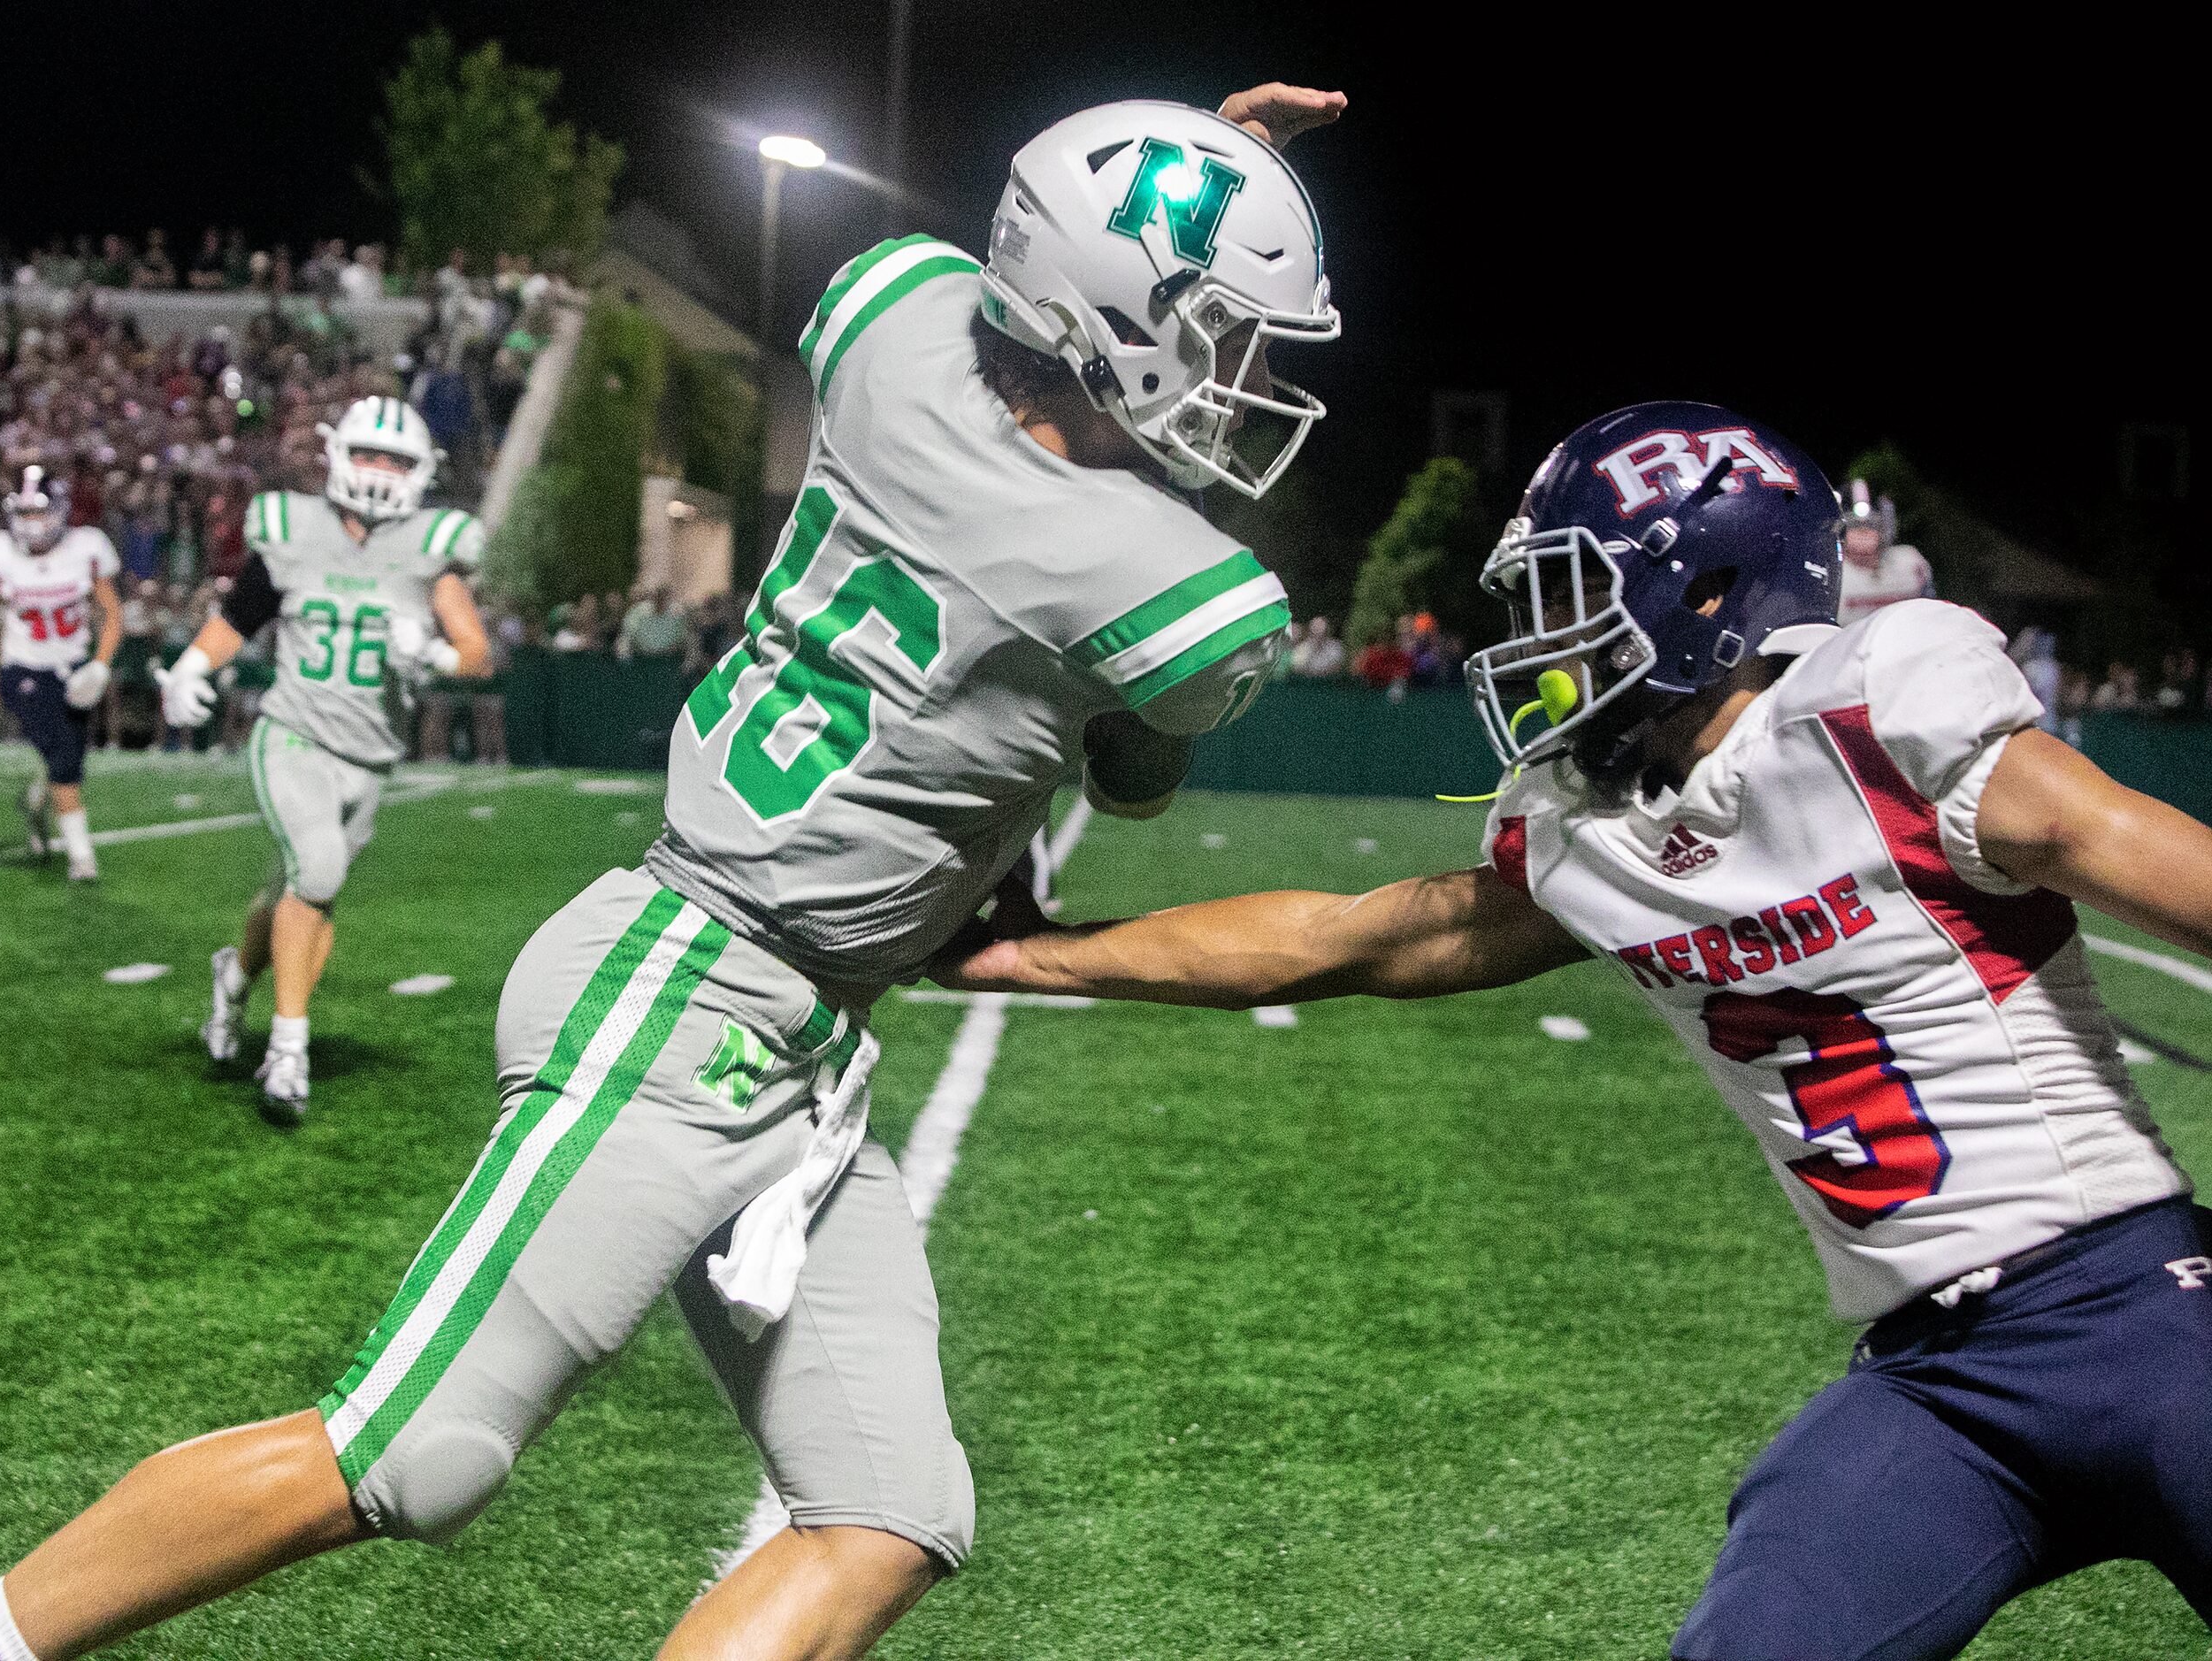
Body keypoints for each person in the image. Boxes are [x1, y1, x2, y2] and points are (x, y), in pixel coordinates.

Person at [0, 81, 1345, 1661]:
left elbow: (978, 292)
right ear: (1128, 319)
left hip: (791, 1039)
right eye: (1225, 333)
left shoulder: (892, 322)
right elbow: (1134, 769)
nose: (1243, 380)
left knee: (887, 1509)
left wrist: (1186, 175)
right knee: (409, 1452)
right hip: (683, 994)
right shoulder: (1178, 590)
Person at [938, 401, 2212, 1661]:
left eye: (1571, 594)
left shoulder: (1873, 723)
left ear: (1709, 592)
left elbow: (2148, 862)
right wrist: (1032, 953)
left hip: (2145, 1316)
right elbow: (1357, 938)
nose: (1544, 638)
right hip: (1936, 1383)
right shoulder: (1593, 831)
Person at [156, 394, 493, 1123]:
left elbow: (476, 653)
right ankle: (287, 1050)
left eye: (395, 460)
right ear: (337, 456)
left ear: (421, 473)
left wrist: (432, 652)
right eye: (367, 454)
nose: (378, 471)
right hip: (293, 733)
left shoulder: (430, 548)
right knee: (318, 870)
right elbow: (240, 617)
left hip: (369, 755)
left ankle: (235, 976)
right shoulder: (292, 531)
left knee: (304, 890)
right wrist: (189, 669)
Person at [0, 467, 123, 881]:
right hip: (22, 668)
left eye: (40, 513)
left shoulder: (86, 548)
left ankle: (36, 803)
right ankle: (81, 856)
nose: (31, 524)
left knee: (68, 756)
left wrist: (101, 664)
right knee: (63, 757)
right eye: (24, 513)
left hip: (72, 669)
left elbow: (112, 612)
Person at [1835, 478, 1933, 621]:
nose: (1863, 531)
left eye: (1872, 525)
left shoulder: (1911, 564)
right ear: (1840, 529)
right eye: (1853, 525)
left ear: (1886, 527)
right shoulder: (1833, 574)